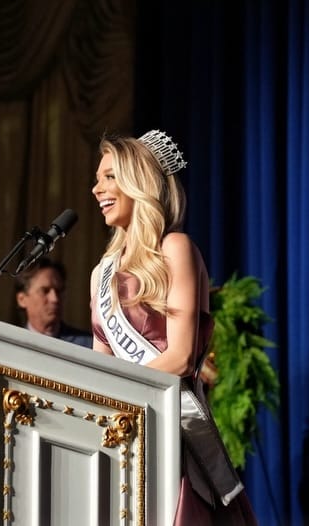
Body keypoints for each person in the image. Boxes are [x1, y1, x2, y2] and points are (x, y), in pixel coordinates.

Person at [90, 130, 257, 524]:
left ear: (139, 181)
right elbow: (99, 367)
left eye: (109, 176)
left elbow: (180, 357)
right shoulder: (101, 273)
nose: (96, 188)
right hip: (126, 434)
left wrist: (115, 390)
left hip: (174, 434)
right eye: (97, 178)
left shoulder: (175, 248)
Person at [14, 257, 93, 348]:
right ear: (22, 299)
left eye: (59, 291)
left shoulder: (88, 346)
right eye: (45, 291)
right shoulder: (12, 346)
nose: (55, 299)